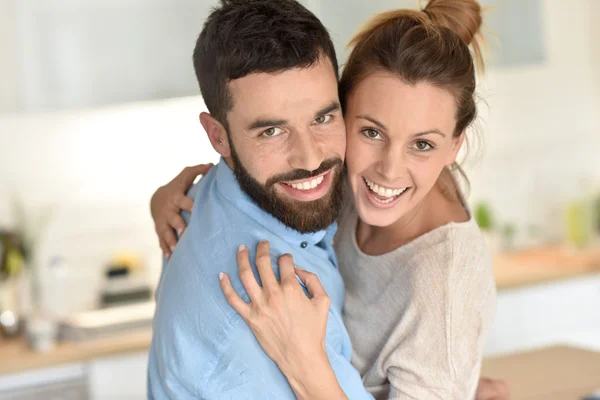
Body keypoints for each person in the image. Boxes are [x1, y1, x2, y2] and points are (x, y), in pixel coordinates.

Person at [151, 0, 510, 399]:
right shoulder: (321, 190)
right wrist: (163, 198)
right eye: (372, 132)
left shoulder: (442, 285)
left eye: (422, 144)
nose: (389, 171)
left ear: (453, 147)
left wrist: (305, 362)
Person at [147, 0, 375, 398]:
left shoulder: (213, 195)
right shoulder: (262, 316)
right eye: (271, 131)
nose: (310, 159)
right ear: (218, 137)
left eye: (322, 118)